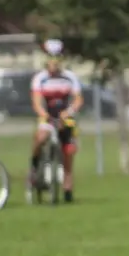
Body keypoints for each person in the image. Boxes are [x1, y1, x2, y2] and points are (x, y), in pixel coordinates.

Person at [29, 39, 83, 203]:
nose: (54, 65)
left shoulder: (70, 77)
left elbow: (78, 99)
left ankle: (67, 189)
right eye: (51, 61)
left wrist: (69, 112)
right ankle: (35, 165)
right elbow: (37, 101)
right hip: (47, 116)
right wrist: (43, 113)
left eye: (57, 61)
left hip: (65, 118)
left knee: (69, 151)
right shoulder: (40, 79)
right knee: (41, 137)